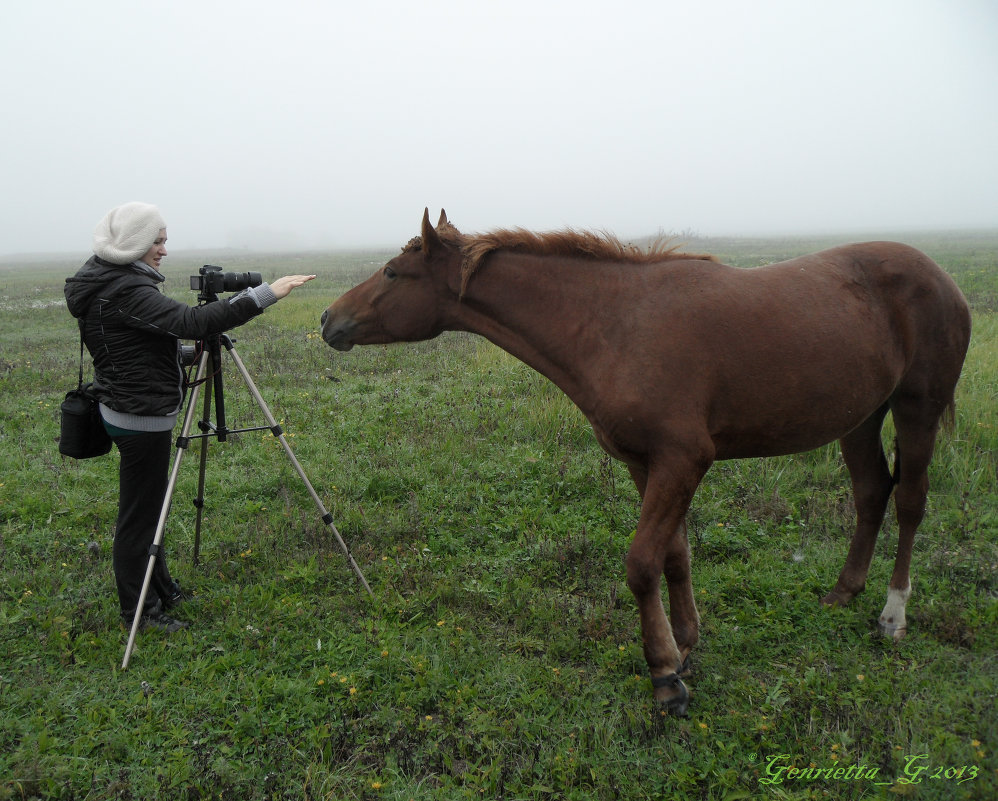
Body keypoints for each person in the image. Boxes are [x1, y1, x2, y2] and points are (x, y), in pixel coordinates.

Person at [64, 201, 315, 633]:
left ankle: (160, 589)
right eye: (157, 241)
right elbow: (191, 321)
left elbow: (132, 348)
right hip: (140, 416)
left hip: (127, 403)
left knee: (151, 511)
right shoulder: (125, 289)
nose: (163, 249)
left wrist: (183, 357)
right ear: (134, 243)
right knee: (140, 519)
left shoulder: (108, 280)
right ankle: (140, 613)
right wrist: (266, 294)